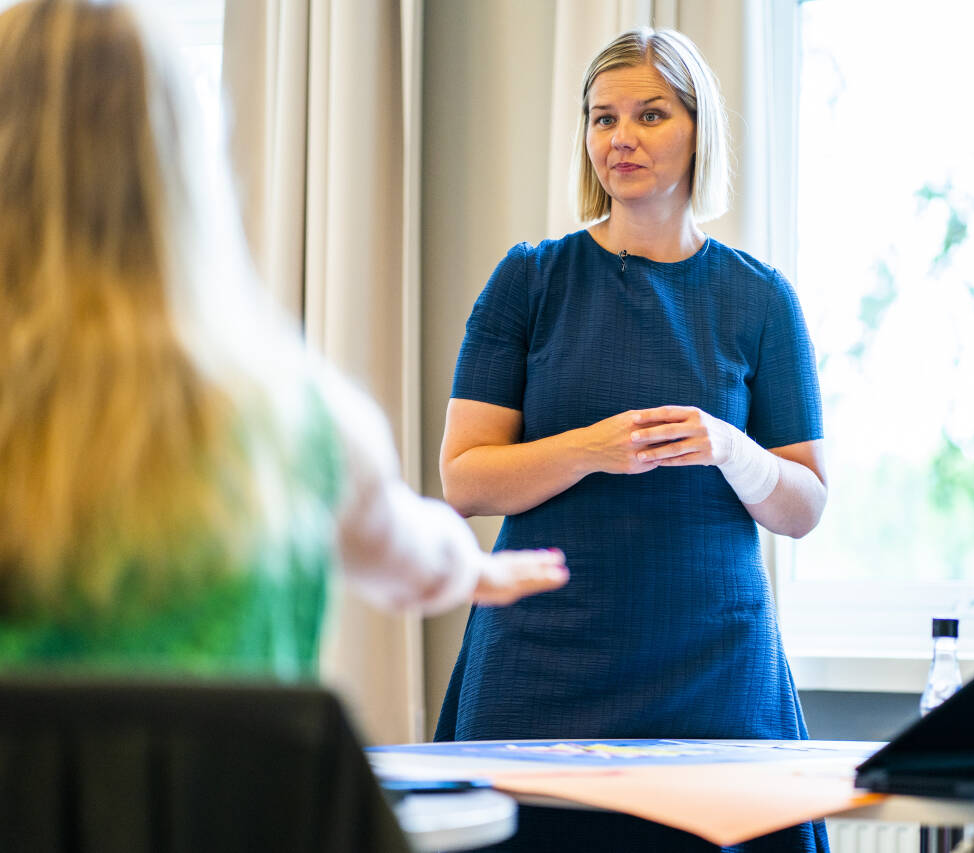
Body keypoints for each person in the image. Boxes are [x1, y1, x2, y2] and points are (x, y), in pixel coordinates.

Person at [0, 0, 567, 676]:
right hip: (234, 787)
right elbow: (416, 564)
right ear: (184, 161)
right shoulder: (301, 426)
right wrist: (472, 565)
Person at [435, 27, 828, 853]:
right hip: (540, 669)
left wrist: (733, 448)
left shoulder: (760, 301)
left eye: (649, 115)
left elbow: (803, 505)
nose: (621, 138)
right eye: (602, 117)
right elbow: (464, 480)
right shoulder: (529, 280)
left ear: (697, 129)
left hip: (715, 671)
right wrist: (588, 448)